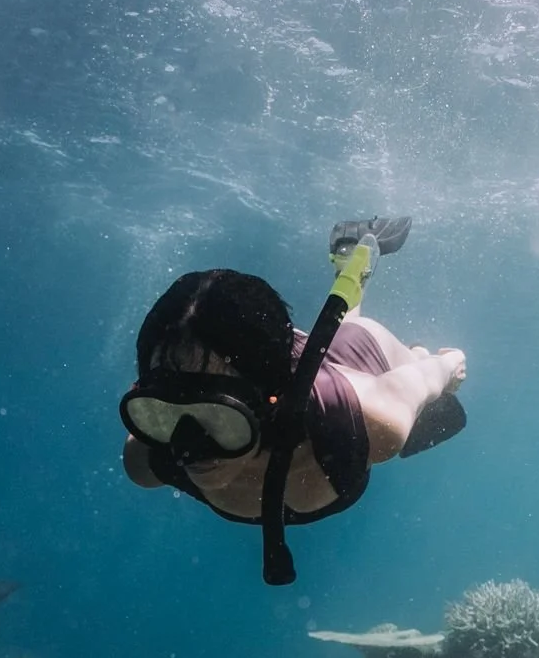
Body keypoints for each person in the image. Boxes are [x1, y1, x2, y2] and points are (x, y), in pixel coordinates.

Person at [120, 218, 468, 548]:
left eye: (217, 415)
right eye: (165, 408)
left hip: (352, 357)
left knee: (359, 334)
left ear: (271, 400)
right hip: (265, 363)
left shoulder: (368, 416)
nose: (186, 448)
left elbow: (428, 377)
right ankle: (347, 257)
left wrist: (447, 366)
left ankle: (378, 290)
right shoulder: (151, 451)